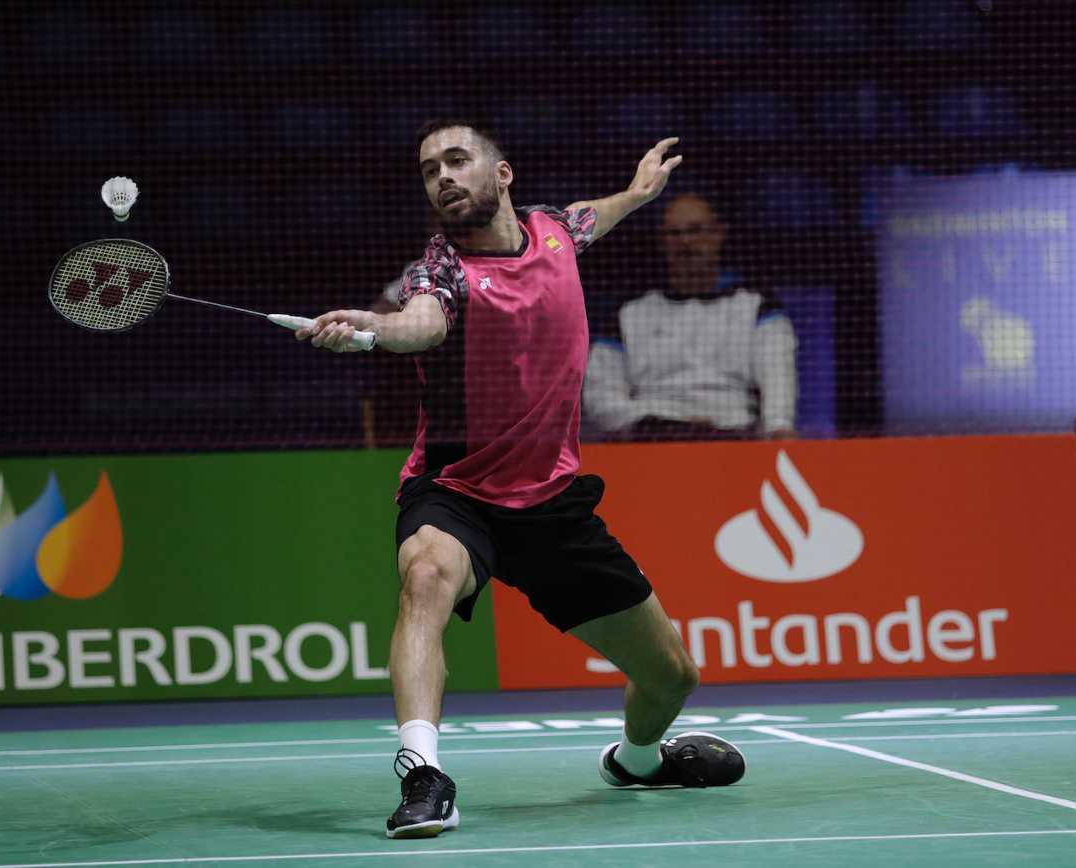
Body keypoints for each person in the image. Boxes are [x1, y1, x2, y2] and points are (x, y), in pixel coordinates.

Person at [296, 120, 746, 839]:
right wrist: (375, 328)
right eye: (428, 170)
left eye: (456, 160)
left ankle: (635, 762)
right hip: (457, 490)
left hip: (552, 504)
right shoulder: (438, 271)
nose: (442, 176)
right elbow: (423, 323)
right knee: (425, 575)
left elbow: (589, 219)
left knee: (671, 678)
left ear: (502, 175)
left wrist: (636, 192)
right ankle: (423, 771)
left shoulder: (554, 231)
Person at [583, 192, 798, 441]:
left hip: (734, 440)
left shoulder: (759, 306)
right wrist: (661, 422)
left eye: (696, 231)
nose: (685, 242)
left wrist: (779, 427)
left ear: (719, 233)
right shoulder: (627, 312)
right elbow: (600, 398)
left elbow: (779, 385)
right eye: (674, 234)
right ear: (662, 241)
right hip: (651, 441)